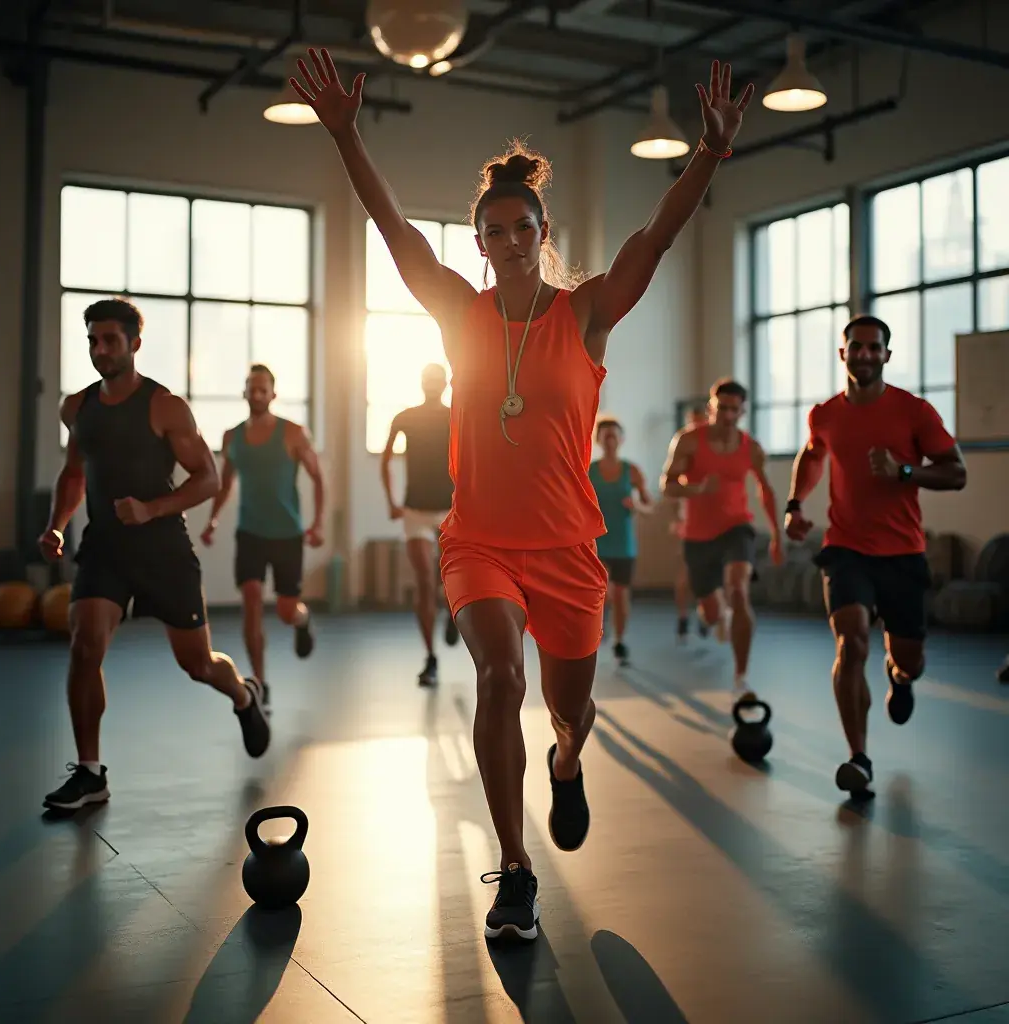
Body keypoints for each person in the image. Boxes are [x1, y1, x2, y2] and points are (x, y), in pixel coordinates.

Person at [290, 47, 753, 940]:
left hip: (569, 549)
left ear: (543, 235)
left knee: (571, 713)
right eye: (492, 232)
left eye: (521, 229)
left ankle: (569, 760)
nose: (507, 243)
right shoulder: (457, 313)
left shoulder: (585, 314)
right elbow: (394, 233)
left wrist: (708, 153)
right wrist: (348, 138)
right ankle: (515, 871)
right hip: (479, 545)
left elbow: (654, 238)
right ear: (481, 243)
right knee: (498, 678)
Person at [38, 298, 270, 812]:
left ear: (134, 344)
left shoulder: (165, 406)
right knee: (84, 645)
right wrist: (55, 525)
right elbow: (75, 474)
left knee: (198, 664)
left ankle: (243, 695)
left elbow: (207, 478)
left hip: (164, 550)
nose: (100, 351)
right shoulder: (76, 408)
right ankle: (91, 773)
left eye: (110, 341)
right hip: (104, 548)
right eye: (93, 341)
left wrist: (151, 509)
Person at [785, 314, 966, 798]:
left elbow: (956, 473)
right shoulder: (824, 414)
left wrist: (904, 470)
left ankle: (900, 676)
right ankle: (859, 758)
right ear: (842, 354)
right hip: (845, 549)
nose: (864, 354)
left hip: (903, 552)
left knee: (909, 657)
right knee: (851, 642)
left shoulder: (914, 412)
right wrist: (795, 503)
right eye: (855, 347)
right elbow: (813, 453)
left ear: (886, 355)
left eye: (873, 347)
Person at [201, 364, 325, 708]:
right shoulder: (232, 437)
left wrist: (318, 524)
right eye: (251, 389)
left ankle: (301, 620)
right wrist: (212, 520)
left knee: (286, 609)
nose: (256, 395)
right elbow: (226, 483)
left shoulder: (294, 433)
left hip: (287, 533)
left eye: (263, 389)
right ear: (244, 393)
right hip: (250, 532)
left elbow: (318, 478)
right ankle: (260, 680)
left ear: (273, 394)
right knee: (252, 598)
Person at [661, 379, 783, 701]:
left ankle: (741, 678)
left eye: (733, 409)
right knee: (713, 613)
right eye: (721, 408)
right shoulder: (688, 440)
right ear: (711, 408)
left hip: (736, 527)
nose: (727, 414)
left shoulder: (750, 448)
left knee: (738, 591)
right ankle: (715, 616)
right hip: (698, 536)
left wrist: (777, 535)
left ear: (742, 411)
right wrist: (697, 489)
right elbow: (667, 485)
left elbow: (765, 491)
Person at [381, 362, 460, 687]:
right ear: (422, 383)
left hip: (449, 510)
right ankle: (430, 657)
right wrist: (392, 503)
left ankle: (454, 613)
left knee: (451, 580)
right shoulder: (405, 417)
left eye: (437, 380)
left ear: (445, 384)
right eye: (427, 379)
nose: (432, 384)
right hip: (414, 511)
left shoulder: (456, 415)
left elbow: (471, 457)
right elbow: (385, 459)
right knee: (425, 581)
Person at [588, 416, 654, 665]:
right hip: (596, 542)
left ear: (621, 439)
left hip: (624, 543)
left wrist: (636, 505)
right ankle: (597, 629)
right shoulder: (589, 470)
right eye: (606, 436)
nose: (611, 440)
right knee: (600, 592)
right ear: (599, 440)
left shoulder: (632, 470)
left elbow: (650, 506)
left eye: (615, 435)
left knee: (620, 593)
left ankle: (619, 640)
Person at [667, 403, 709, 643]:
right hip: (689, 520)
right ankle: (683, 616)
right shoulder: (683, 447)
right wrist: (677, 518)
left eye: (700, 420)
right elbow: (673, 489)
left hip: (714, 522)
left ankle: (705, 613)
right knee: (686, 571)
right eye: (692, 420)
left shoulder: (713, 448)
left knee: (710, 573)